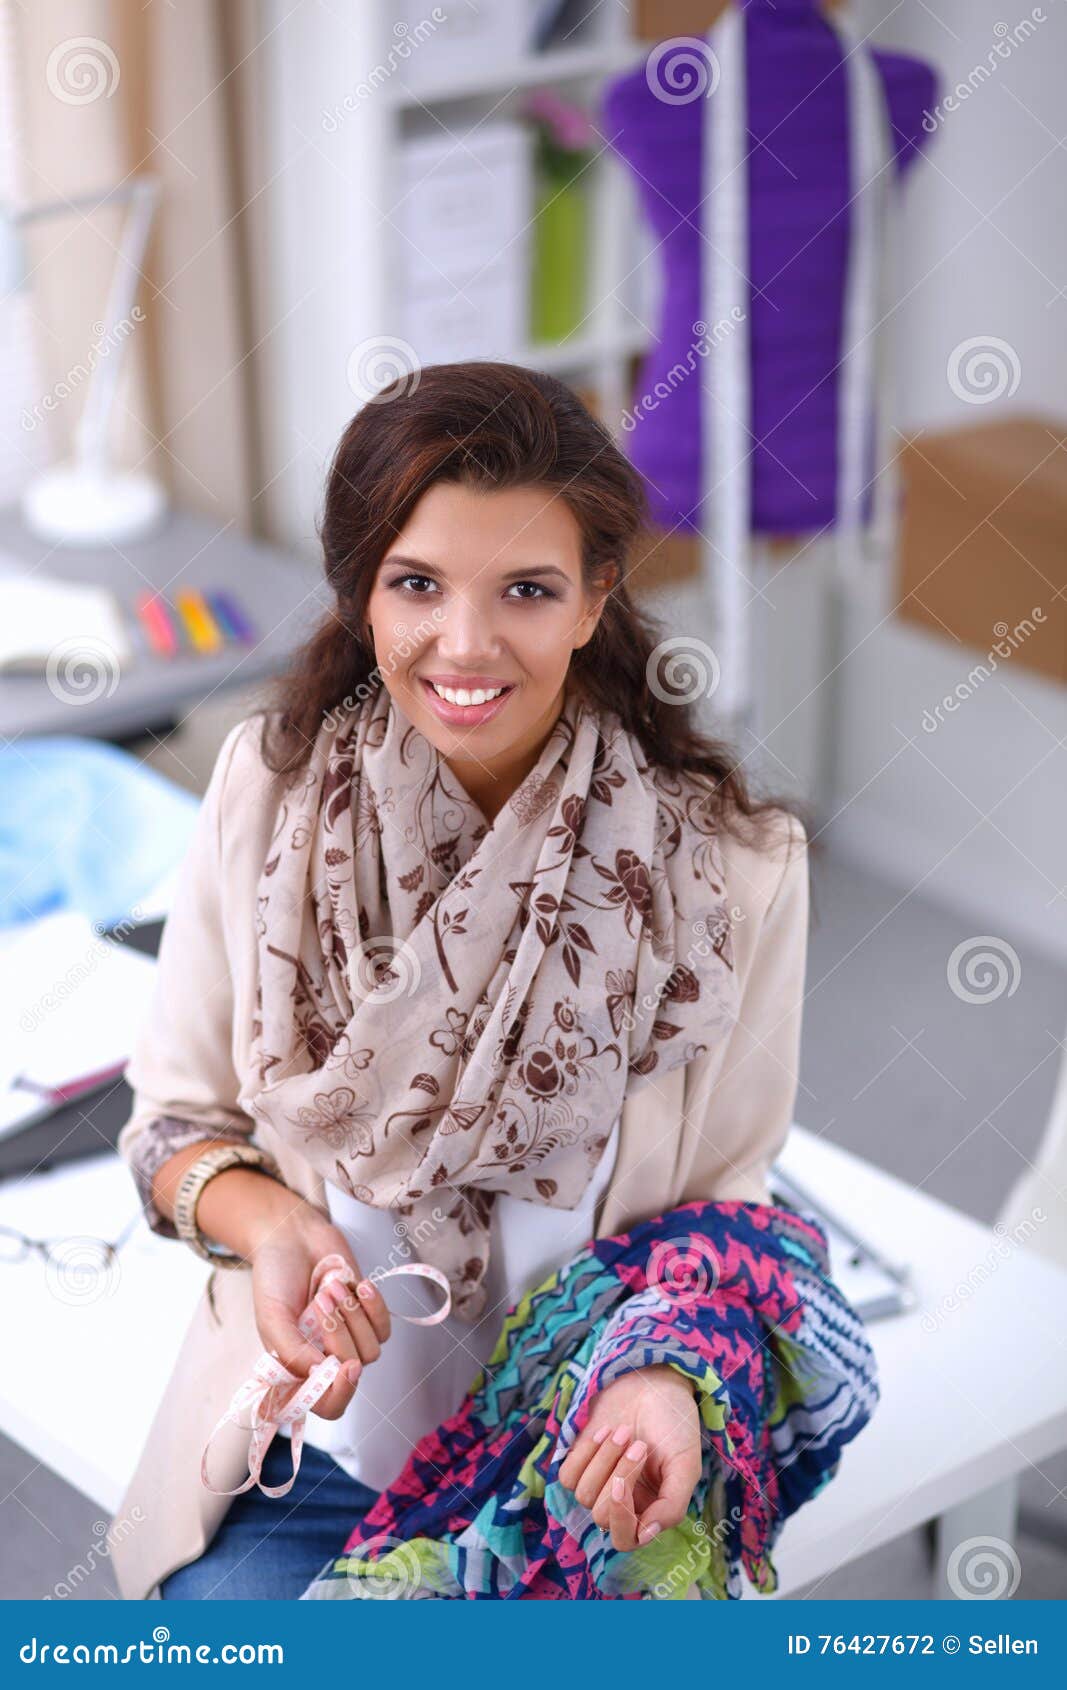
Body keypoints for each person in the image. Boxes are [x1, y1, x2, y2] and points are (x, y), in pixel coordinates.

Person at [110, 361, 813, 1600]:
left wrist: (659, 1373)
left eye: (526, 591)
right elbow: (174, 1122)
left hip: (570, 1462)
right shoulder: (265, 798)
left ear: (597, 598)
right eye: (417, 584)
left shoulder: (731, 873)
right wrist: (271, 1223)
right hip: (304, 1455)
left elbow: (725, 1206)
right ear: (363, 595)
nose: (466, 644)